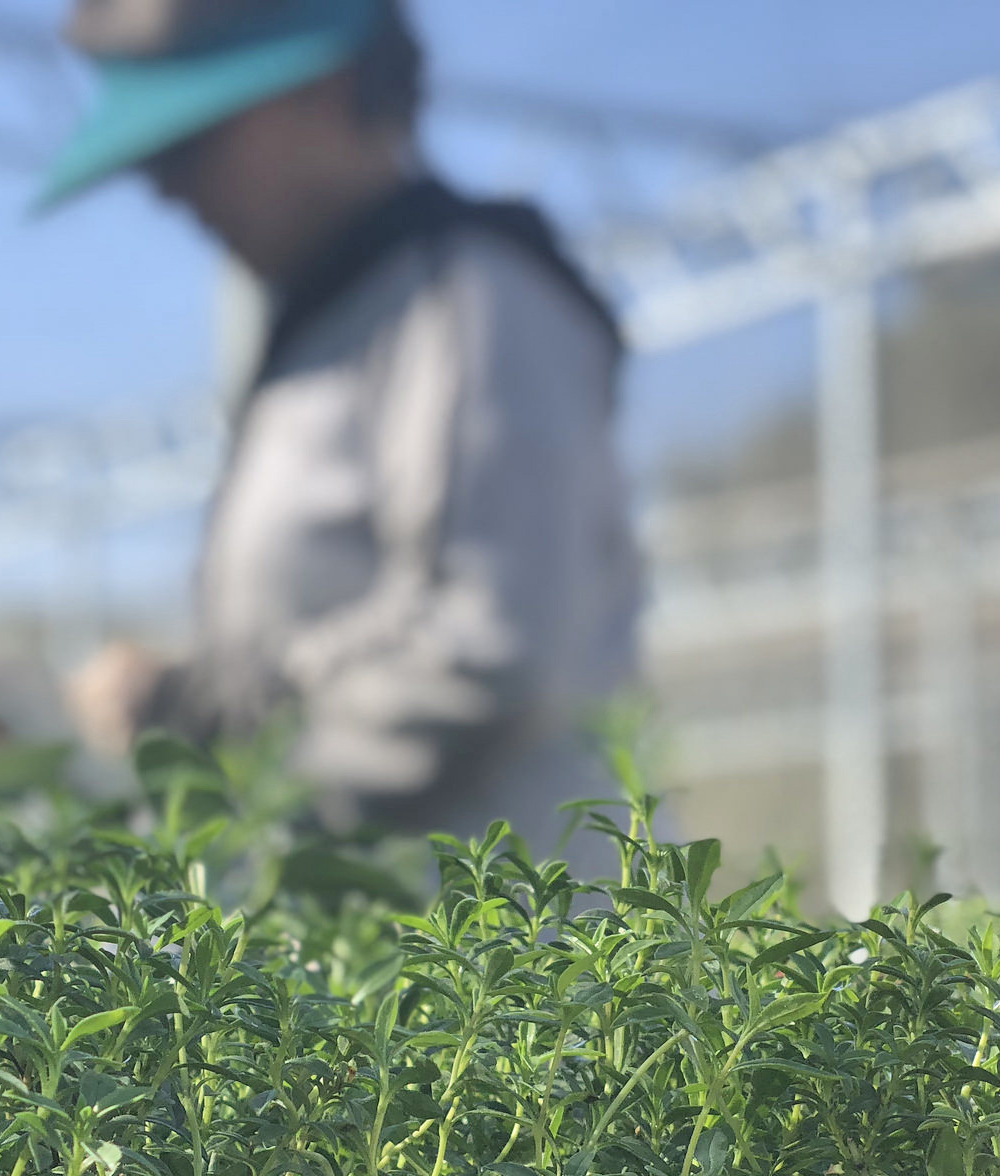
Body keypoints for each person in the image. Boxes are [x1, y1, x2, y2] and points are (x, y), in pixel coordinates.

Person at [51, 0, 642, 860]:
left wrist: (230, 820)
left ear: (321, 91)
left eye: (187, 144)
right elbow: (333, 634)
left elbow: (487, 646)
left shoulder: (471, 300)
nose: (165, 188)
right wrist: (179, 701)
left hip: (490, 959)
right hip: (357, 948)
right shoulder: (337, 325)